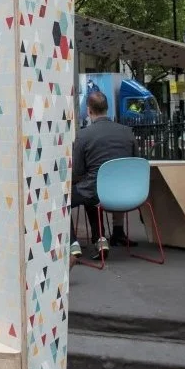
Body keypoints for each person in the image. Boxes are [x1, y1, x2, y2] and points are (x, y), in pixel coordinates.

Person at [70, 90, 136, 263]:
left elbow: (77, 171)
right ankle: (100, 240)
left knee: (68, 197)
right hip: (126, 193)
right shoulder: (128, 132)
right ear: (108, 109)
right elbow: (136, 161)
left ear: (89, 110)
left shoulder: (84, 135)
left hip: (95, 192)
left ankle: (72, 244)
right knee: (90, 193)